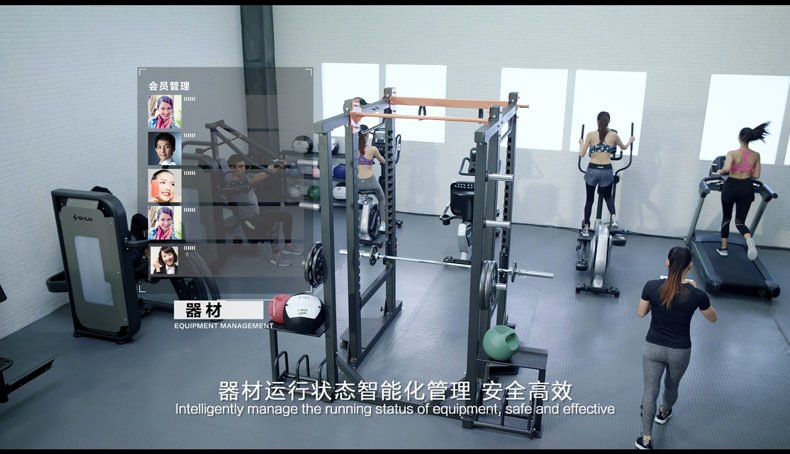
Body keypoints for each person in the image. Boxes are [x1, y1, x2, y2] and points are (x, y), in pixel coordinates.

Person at [635, 246, 717, 450]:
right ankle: (664, 412)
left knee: (650, 391)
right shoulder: (697, 295)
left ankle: (646, 439)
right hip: (679, 351)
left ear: (667, 263)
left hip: (653, 347)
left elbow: (641, 313)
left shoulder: (651, 286)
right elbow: (713, 318)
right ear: (690, 266)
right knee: (672, 386)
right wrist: (695, 291)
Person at [225, 154, 304, 267]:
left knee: (287, 216)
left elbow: (265, 171)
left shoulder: (244, 177)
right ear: (232, 168)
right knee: (273, 224)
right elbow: (258, 178)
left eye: (244, 166)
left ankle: (288, 246)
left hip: (257, 214)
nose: (243, 169)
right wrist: (272, 170)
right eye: (240, 166)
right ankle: (276, 257)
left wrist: (279, 165)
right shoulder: (231, 182)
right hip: (247, 220)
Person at [714, 122, 769, 261]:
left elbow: (726, 168)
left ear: (739, 137)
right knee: (740, 222)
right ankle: (749, 239)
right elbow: (756, 175)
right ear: (751, 139)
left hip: (731, 186)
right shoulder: (756, 155)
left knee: (726, 218)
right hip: (746, 187)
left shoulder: (732, 153)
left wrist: (720, 171)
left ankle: (724, 249)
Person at [578, 111, 635, 236]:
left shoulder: (591, 135)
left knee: (589, 200)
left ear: (597, 122)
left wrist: (581, 143)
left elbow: (581, 154)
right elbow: (624, 147)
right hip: (606, 170)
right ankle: (613, 219)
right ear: (609, 122)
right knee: (608, 197)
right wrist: (630, 140)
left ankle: (586, 228)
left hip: (593, 170)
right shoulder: (613, 135)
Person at [357, 129, 387, 232]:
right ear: (366, 136)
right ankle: (383, 224)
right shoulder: (373, 149)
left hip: (357, 183)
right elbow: (382, 160)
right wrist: (386, 160)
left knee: (358, 187)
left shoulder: (352, 148)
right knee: (382, 199)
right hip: (370, 182)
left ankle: (362, 197)